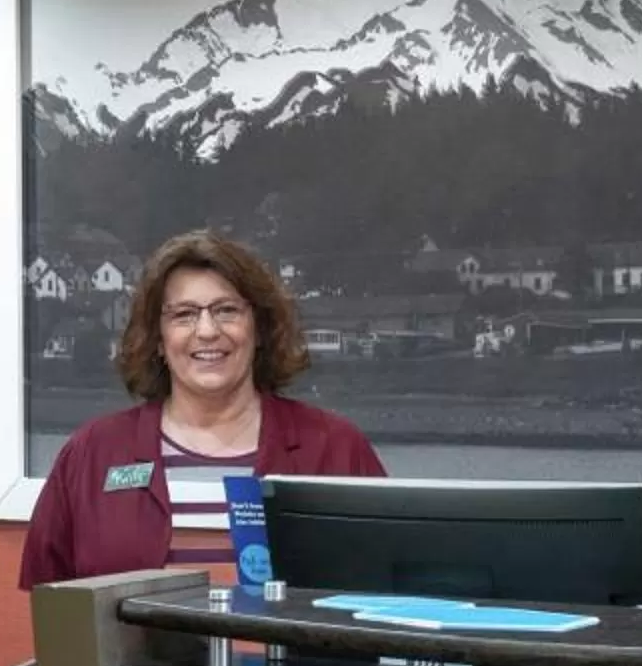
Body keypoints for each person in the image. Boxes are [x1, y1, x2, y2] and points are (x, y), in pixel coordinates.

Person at [20, 229, 385, 586]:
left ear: (259, 329)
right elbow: (53, 605)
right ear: (158, 339)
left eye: (227, 310)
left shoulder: (337, 448)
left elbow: (391, 590)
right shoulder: (90, 454)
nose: (207, 330)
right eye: (184, 314)